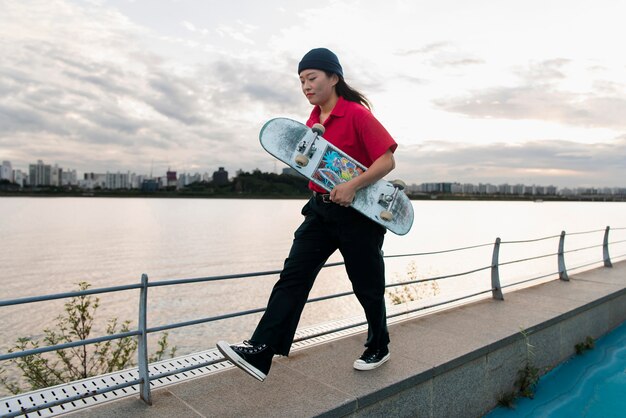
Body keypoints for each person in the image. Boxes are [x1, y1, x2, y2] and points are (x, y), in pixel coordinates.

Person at [217, 48, 398, 382]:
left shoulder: (356, 115)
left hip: (358, 215)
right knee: (293, 277)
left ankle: (379, 344)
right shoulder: (312, 122)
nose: (305, 85)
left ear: (334, 77)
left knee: (367, 285)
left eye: (312, 78)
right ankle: (261, 351)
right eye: (301, 80)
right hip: (319, 211)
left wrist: (353, 186)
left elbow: (386, 160)